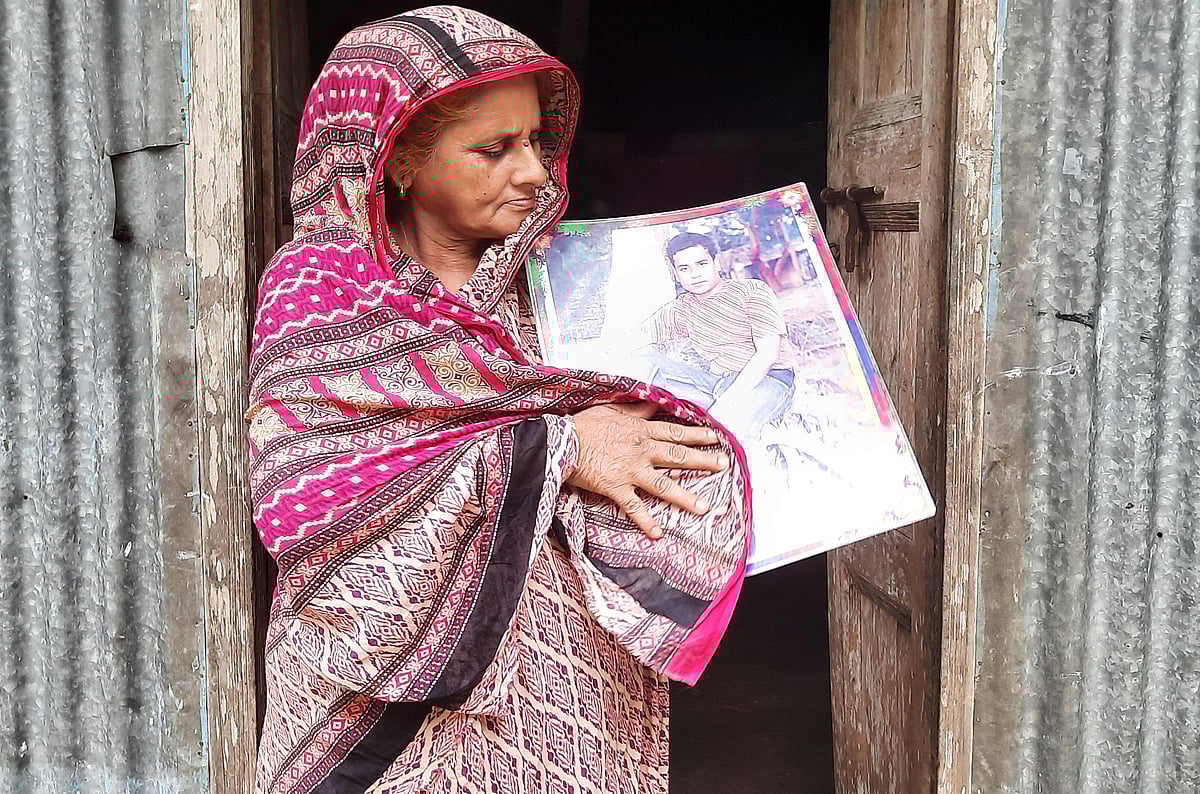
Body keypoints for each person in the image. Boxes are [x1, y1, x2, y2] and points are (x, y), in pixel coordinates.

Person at [246, 8, 750, 794]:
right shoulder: (321, 294)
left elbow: (659, 421)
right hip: (376, 697)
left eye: (537, 143)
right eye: (494, 148)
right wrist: (563, 446)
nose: (535, 174)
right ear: (398, 161)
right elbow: (306, 499)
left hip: (563, 690)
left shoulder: (569, 288)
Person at [632, 231, 798, 442]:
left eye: (702, 264)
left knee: (729, 433)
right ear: (675, 274)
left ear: (715, 263)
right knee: (641, 360)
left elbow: (767, 354)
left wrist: (724, 405)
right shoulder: (682, 308)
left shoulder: (751, 291)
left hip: (770, 380)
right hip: (716, 383)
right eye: (685, 268)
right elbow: (636, 338)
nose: (695, 274)